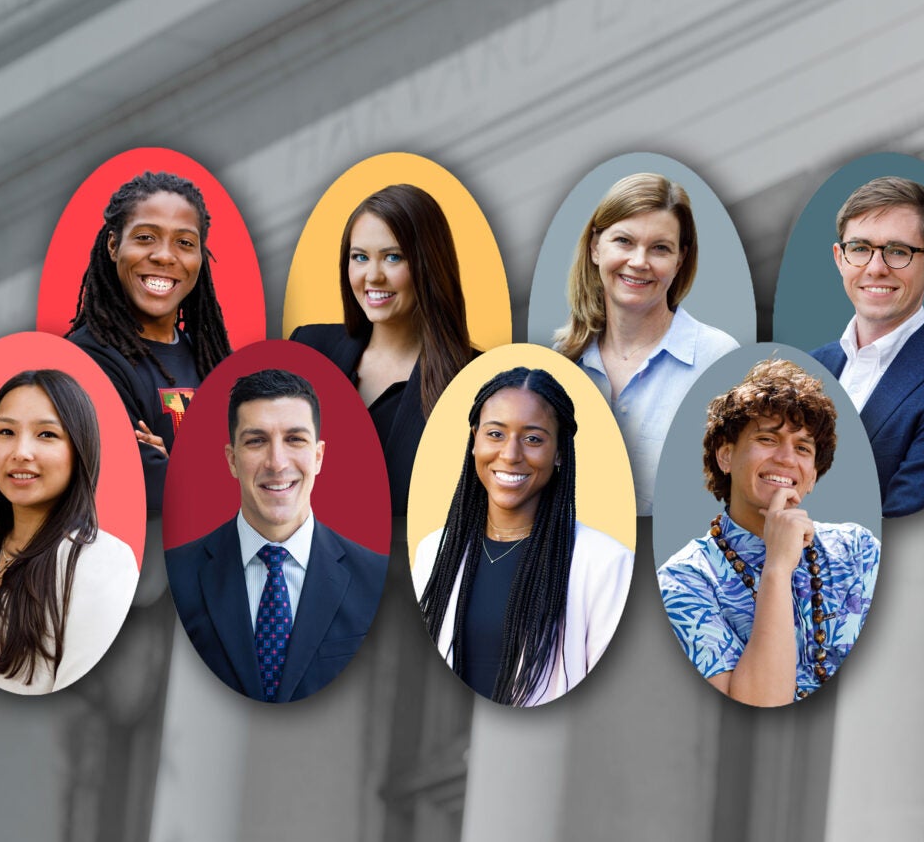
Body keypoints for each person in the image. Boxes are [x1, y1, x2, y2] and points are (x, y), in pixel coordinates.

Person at [658, 359, 879, 705]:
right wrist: (777, 568)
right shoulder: (684, 582)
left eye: (803, 448)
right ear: (726, 456)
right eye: (767, 439)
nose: (788, 459)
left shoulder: (859, 551)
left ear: (814, 474)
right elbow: (757, 707)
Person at [413, 366, 633, 706]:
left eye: (532, 439)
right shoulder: (433, 553)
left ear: (559, 451)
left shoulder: (605, 564)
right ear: (474, 440)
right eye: (495, 434)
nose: (511, 454)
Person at [164, 369, 388, 702]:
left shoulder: (376, 579)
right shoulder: (176, 576)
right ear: (232, 460)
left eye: (295, 439)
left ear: (319, 456)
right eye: (256, 441)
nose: (277, 462)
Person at [0, 369, 139, 694]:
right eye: (6, 432)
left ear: (79, 449)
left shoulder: (102, 562)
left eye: (46, 435)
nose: (21, 452)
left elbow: (80, 699)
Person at [808, 176, 924, 517]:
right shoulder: (806, 369)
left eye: (898, 252)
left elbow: (900, 523)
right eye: (860, 249)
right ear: (840, 258)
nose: (876, 268)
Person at [552, 173, 738, 513]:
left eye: (660, 248)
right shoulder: (562, 364)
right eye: (624, 241)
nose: (639, 262)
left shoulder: (718, 360)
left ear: (680, 260)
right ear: (595, 248)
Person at [291, 184, 476, 516]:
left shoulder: (475, 380)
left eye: (393, 257)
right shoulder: (308, 350)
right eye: (359, 257)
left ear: (428, 263)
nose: (372, 276)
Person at [68, 171, 234, 512]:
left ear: (200, 258)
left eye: (184, 243)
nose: (164, 256)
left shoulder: (213, 361)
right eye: (145, 238)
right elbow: (150, 494)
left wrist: (176, 467)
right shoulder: (87, 361)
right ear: (114, 246)